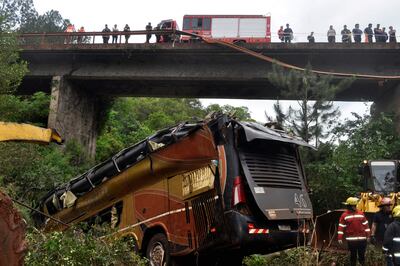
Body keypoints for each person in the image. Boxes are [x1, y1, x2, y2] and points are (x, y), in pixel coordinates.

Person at [338, 197, 370, 266]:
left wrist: (368, 236)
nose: (356, 207)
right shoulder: (344, 215)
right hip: (352, 240)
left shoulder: (361, 213)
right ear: (350, 206)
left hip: (362, 239)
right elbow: (341, 227)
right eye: (354, 205)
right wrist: (340, 237)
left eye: (355, 205)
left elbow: (366, 225)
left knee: (362, 256)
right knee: (353, 257)